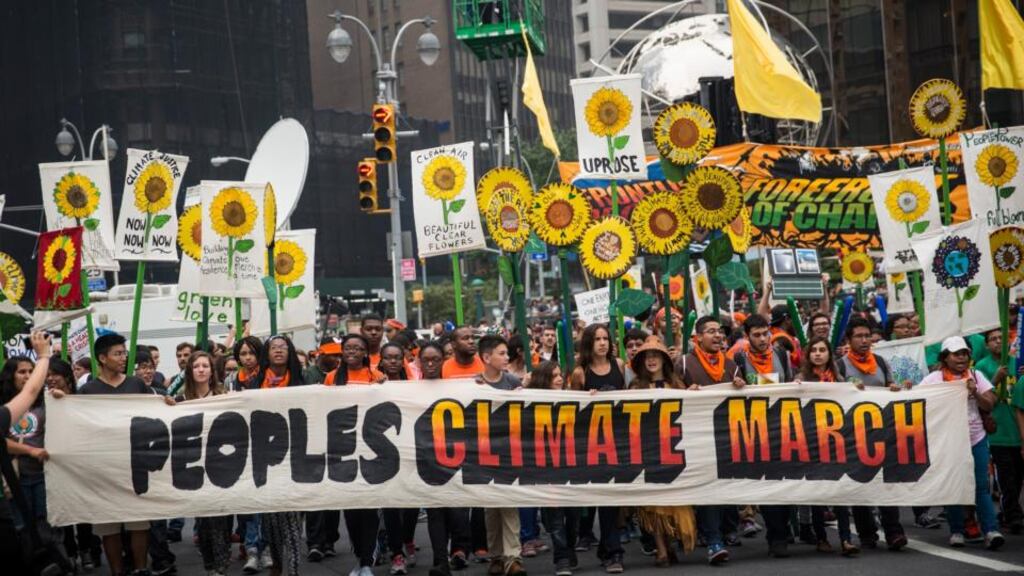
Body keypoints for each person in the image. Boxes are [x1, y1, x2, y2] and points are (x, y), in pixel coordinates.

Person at [71, 333, 158, 576]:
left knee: (139, 522)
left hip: (135, 465)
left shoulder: (136, 384)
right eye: (118, 353)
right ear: (102, 358)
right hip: (103, 469)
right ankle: (117, 572)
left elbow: (153, 415)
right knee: (108, 525)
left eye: (124, 353)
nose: (124, 358)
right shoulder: (87, 392)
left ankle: (141, 569)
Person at [919, 336, 1004, 549]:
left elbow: (990, 404)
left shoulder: (976, 375)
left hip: (976, 439)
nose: (961, 358)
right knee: (954, 485)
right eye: (956, 354)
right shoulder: (933, 380)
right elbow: (914, 401)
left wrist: (974, 391)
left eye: (964, 353)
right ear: (945, 358)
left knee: (981, 487)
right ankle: (957, 530)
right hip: (948, 442)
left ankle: (991, 530)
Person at [838, 316, 909, 551]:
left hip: (882, 433)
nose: (865, 340)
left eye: (867, 336)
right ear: (849, 340)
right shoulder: (840, 366)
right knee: (860, 485)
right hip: (853, 435)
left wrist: (897, 389)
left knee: (886, 483)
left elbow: (891, 385)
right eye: (859, 336)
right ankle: (867, 533)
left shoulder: (880, 362)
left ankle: (894, 532)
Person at [628, 337, 700, 565]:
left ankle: (669, 543)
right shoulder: (634, 387)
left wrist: (695, 393)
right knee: (654, 503)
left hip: (674, 450)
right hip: (648, 451)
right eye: (647, 356)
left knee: (676, 500)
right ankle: (660, 550)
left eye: (655, 355)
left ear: (663, 360)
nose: (651, 360)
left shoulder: (677, 384)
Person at [166, 352, 232, 575]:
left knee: (221, 518)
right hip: (194, 468)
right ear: (190, 371)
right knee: (203, 521)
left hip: (222, 465)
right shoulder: (182, 400)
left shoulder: (225, 396)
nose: (202, 369)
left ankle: (221, 564)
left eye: (206, 366)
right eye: (197, 366)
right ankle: (210, 564)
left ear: (212, 371)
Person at [569, 324, 625, 573]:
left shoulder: (620, 365)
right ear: (588, 343)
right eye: (597, 339)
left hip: (617, 441)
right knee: (598, 497)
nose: (602, 343)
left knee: (612, 500)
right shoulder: (580, 373)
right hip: (590, 444)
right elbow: (570, 408)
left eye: (606, 338)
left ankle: (612, 551)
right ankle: (603, 548)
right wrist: (585, 399)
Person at [795, 337, 858, 556]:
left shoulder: (839, 378)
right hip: (812, 443)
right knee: (818, 493)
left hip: (836, 442)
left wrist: (855, 389)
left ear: (830, 354)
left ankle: (846, 539)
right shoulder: (801, 378)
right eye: (814, 350)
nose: (818, 354)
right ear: (808, 354)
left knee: (840, 492)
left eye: (823, 350)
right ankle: (821, 537)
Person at [249, 336, 305, 575]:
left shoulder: (302, 383)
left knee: (291, 521)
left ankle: (292, 570)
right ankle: (278, 565)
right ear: (267, 354)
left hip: (294, 458)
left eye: (284, 347)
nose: (279, 351)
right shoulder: (255, 384)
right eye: (274, 348)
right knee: (271, 523)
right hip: (266, 459)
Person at [0, 332, 52, 575]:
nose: (28, 377)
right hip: (13, 480)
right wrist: (44, 355)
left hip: (39, 475)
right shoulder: (4, 406)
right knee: (20, 528)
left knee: (42, 524)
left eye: (31, 371)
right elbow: (30, 392)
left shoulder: (44, 402)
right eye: (22, 372)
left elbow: (33, 393)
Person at [475, 335, 527, 576]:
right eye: (502, 353)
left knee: (508, 506)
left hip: (509, 453)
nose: (507, 357)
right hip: (483, 455)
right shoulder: (473, 385)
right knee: (491, 509)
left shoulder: (512, 381)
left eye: (507, 353)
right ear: (486, 357)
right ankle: (496, 556)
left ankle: (512, 558)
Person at [44, 358, 103, 570]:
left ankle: (88, 549)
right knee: (64, 509)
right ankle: (69, 552)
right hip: (56, 463)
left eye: (55, 374)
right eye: (47, 375)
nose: (50, 378)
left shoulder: (82, 398)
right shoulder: (44, 401)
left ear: (67, 376)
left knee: (83, 507)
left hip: (82, 461)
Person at [526, 361, 577, 576]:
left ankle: (569, 548)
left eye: (560, 375)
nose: (559, 379)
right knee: (555, 515)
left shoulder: (572, 398)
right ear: (543, 380)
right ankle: (562, 558)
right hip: (545, 466)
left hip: (571, 464)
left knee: (573, 514)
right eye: (553, 376)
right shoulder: (531, 401)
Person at [976, 328, 1024, 534]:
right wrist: (995, 379)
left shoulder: (1017, 364)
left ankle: (1007, 512)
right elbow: (983, 402)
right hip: (998, 433)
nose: (997, 342)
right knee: (1006, 478)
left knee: (1018, 476)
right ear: (986, 345)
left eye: (1001, 338)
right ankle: (1013, 516)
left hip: (1017, 431)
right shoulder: (981, 367)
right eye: (993, 339)